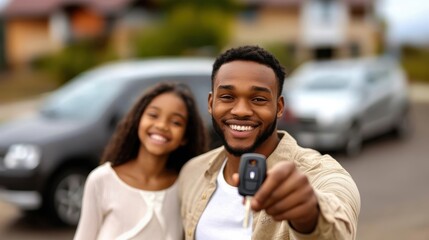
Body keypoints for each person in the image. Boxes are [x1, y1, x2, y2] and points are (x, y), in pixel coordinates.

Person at [178, 45, 361, 239]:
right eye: (227, 97)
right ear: (210, 103)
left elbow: (339, 222)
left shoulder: (318, 174)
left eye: (258, 99)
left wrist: (310, 214)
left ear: (279, 107)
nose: (241, 111)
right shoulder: (192, 173)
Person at [74, 82, 208, 240]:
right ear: (138, 119)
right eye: (153, 115)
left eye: (176, 122)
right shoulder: (101, 180)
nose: (162, 125)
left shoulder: (185, 187)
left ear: (185, 137)